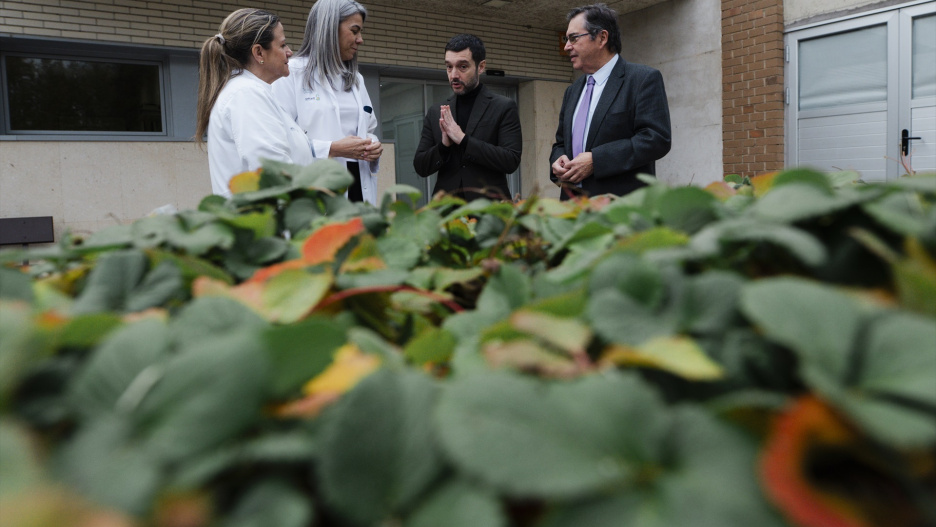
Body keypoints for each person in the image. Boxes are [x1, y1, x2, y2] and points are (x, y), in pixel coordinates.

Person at [550, 3, 671, 200]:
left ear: (602, 38)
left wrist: (597, 160)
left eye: (573, 38)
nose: (566, 46)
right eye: (566, 39)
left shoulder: (642, 79)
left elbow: (656, 139)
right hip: (572, 207)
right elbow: (561, 143)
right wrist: (557, 160)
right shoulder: (572, 91)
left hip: (620, 207)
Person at [272, 0, 382, 205]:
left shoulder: (356, 79)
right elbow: (280, 139)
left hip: (358, 187)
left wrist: (373, 145)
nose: (360, 40)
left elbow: (369, 129)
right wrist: (331, 149)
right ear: (329, 29)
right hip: (316, 188)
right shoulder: (292, 74)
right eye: (354, 31)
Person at [196, 8, 314, 198]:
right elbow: (274, 175)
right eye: (282, 45)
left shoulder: (253, 91)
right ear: (259, 52)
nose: (290, 52)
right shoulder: (246, 95)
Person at [413, 34, 522, 202]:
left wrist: (464, 140)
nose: (454, 75)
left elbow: (510, 161)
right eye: (449, 67)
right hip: (446, 209)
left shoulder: (503, 106)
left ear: (481, 66)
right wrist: (443, 147)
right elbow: (421, 166)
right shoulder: (436, 112)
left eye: (462, 67)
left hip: (490, 208)